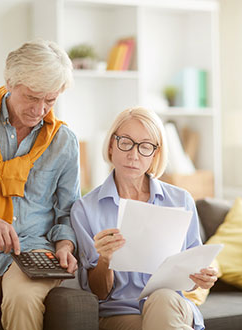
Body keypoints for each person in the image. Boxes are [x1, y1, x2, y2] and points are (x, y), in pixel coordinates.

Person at [71, 107, 218, 330]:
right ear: (111, 145)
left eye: (145, 146)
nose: (134, 154)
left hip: (172, 305)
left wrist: (201, 278)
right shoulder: (85, 209)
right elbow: (98, 292)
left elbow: (190, 281)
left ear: (155, 154)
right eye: (126, 142)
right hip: (120, 314)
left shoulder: (180, 200)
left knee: (161, 300)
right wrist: (105, 259)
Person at [0, 39, 80, 330]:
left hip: (33, 252)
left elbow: (67, 210)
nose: (40, 110)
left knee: (22, 300)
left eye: (50, 100)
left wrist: (64, 245)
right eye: (32, 97)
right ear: (10, 81)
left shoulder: (63, 142)